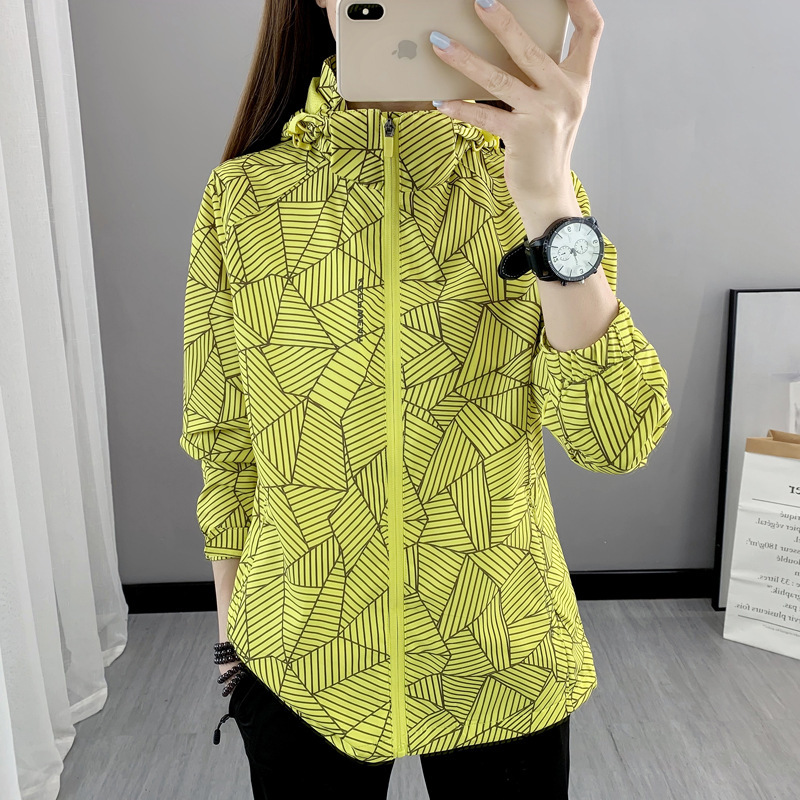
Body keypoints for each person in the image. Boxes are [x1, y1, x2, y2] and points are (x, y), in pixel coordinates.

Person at [179, 1, 673, 797]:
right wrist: (235, 646)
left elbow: (617, 439)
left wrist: (548, 195)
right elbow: (227, 440)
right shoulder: (245, 198)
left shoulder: (524, 188)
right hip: (299, 660)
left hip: (503, 655)